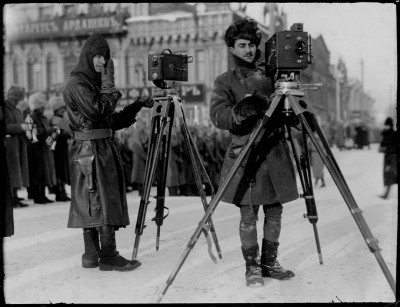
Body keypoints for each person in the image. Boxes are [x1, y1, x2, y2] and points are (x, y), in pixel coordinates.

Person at [209, 18, 299, 287]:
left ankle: (270, 263)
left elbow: (289, 111)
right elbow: (218, 115)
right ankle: (252, 267)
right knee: (248, 214)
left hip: (275, 153)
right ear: (232, 48)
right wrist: (242, 109)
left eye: (251, 44)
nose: (248, 50)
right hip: (246, 155)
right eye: (242, 45)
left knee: (275, 211)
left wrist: (291, 111)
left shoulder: (273, 76)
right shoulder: (225, 80)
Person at [63, 32, 153, 272]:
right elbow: (96, 110)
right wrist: (109, 86)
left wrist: (136, 106)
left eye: (105, 58)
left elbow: (108, 120)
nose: (103, 62)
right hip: (91, 151)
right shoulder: (77, 84)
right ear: (88, 57)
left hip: (97, 148)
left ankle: (92, 255)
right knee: (98, 201)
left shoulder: (88, 84)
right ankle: (108, 255)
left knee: (96, 201)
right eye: (99, 57)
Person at [4, 85, 30, 208]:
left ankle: (15, 196)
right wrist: (20, 127)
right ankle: (11, 197)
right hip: (10, 145)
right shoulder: (5, 109)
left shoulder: (15, 109)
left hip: (18, 143)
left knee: (17, 172)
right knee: (12, 172)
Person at [27, 92, 55, 204]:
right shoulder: (32, 117)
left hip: (42, 148)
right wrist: (47, 130)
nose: (44, 108)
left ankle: (42, 195)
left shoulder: (41, 117)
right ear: (38, 106)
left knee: (44, 173)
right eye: (42, 106)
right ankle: (37, 196)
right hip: (35, 149)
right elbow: (33, 133)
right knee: (37, 173)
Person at [49, 96, 71, 201]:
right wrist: (66, 134)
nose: (64, 110)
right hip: (58, 149)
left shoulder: (59, 119)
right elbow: (60, 132)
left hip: (61, 148)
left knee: (62, 170)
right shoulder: (56, 119)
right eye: (61, 109)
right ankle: (60, 193)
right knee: (60, 170)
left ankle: (62, 191)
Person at [378, 117, 397, 199]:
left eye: (387, 125)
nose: (386, 126)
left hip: (392, 158)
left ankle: (386, 195)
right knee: (390, 177)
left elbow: (392, 148)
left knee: (391, 176)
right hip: (389, 157)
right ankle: (386, 194)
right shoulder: (386, 134)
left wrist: (389, 162)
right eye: (385, 125)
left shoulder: (393, 134)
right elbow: (382, 145)